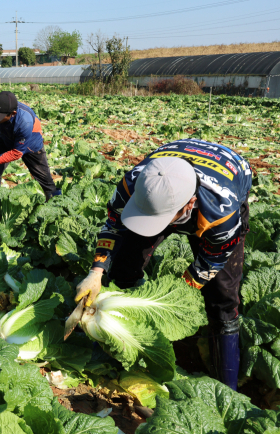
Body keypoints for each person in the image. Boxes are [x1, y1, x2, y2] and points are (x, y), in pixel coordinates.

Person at [74, 139, 252, 391]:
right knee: (124, 266)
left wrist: (173, 297)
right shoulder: (133, 184)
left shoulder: (223, 213)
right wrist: (96, 271)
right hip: (172, 164)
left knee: (222, 297)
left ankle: (226, 386)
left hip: (230, 172)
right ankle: (114, 350)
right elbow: (113, 226)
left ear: (189, 205)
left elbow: (211, 261)